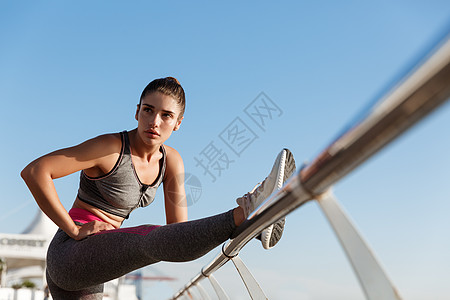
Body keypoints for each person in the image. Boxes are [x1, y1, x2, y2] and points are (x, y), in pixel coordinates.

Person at [21, 77, 296, 299]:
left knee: (159, 239)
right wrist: (74, 229)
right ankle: (248, 210)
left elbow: (178, 233)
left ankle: (252, 221)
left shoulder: (171, 161)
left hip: (96, 264)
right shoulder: (110, 148)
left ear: (178, 123)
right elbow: (35, 171)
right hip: (70, 254)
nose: (154, 122)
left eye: (166, 115)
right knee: (147, 240)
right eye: (148, 110)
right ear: (137, 111)